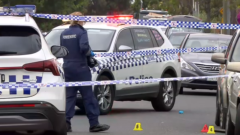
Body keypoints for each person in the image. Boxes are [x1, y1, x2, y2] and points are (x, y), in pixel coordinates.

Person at [60, 11, 110, 132]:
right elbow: (83, 47)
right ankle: (94, 124)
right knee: (88, 96)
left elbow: (62, 50)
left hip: (67, 67)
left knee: (70, 96)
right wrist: (90, 53)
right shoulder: (82, 32)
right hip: (81, 68)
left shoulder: (63, 33)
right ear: (81, 20)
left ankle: (66, 123)